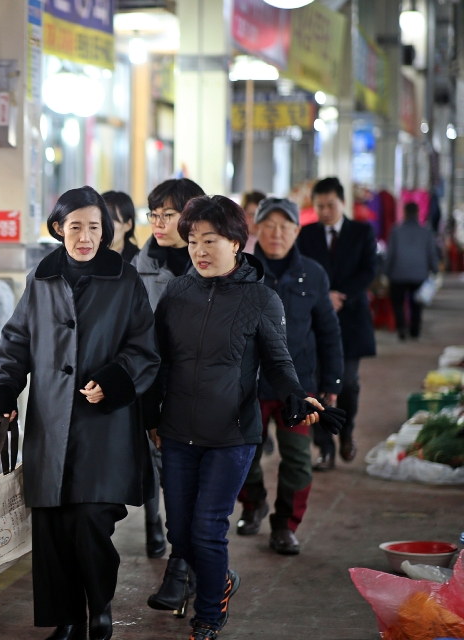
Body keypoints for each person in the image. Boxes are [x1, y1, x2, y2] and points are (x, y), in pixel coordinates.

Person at [148, 195, 342, 640]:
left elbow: (279, 363)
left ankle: (209, 615)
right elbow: (157, 362)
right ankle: (221, 582)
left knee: (208, 527)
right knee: (180, 531)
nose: (198, 250)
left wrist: (298, 396)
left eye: (209, 239)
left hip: (232, 433)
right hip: (177, 430)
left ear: (236, 242)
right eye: (193, 240)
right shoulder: (175, 294)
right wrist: (149, 416)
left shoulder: (261, 298)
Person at [0, 186, 161, 640]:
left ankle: (99, 608)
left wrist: (115, 380)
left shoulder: (125, 280)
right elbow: (16, 342)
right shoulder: (39, 278)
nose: (85, 236)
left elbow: (145, 350)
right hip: (50, 425)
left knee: (90, 521)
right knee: (52, 527)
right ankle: (66, 619)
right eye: (76, 226)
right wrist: (4, 390)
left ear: (106, 232)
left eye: (94, 227)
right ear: (58, 228)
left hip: (104, 427)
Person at [236, 198, 344, 555]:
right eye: (269, 225)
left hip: (297, 387)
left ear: (297, 231)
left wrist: (332, 385)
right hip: (247, 386)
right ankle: (253, 507)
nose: (276, 233)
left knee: (297, 457)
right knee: (244, 455)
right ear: (256, 228)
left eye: (285, 226)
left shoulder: (312, 274)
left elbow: (328, 331)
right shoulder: (241, 270)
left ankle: (285, 525)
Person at [132, 178, 205, 616]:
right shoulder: (138, 270)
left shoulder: (215, 266)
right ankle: (182, 571)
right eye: (153, 214)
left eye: (168, 214)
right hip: (159, 399)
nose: (158, 223)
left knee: (202, 494)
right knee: (175, 488)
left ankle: (194, 571)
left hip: (212, 399)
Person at [296, 177, 377, 470]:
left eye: (331, 205)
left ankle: (347, 432)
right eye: (320, 206)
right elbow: (300, 270)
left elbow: (370, 269)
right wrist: (323, 296)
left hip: (351, 319)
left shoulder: (361, 232)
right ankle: (325, 447)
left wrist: (342, 296)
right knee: (317, 386)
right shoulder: (306, 235)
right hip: (315, 323)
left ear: (343, 203)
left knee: (348, 384)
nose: (325, 211)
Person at [385, 202, 441, 340]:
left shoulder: (396, 231)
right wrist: (435, 270)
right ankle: (415, 331)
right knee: (417, 303)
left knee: (397, 302)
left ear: (404, 213)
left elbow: (390, 254)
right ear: (418, 213)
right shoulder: (426, 232)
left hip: (398, 274)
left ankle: (402, 328)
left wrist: (386, 272)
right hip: (419, 274)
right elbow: (431, 254)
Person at [103, 190, 141, 263]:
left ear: (128, 225)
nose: (103, 226)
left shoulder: (139, 262)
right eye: (100, 219)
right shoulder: (84, 256)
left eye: (111, 221)